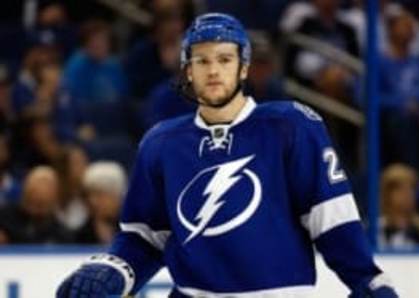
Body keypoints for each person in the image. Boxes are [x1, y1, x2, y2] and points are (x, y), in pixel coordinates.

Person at [56, 13, 398, 298]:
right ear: (188, 71)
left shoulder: (290, 126)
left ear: (244, 68)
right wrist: (116, 268)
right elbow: (145, 236)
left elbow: (332, 219)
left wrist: (367, 280)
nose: (213, 70)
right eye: (201, 60)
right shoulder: (162, 143)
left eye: (224, 59)